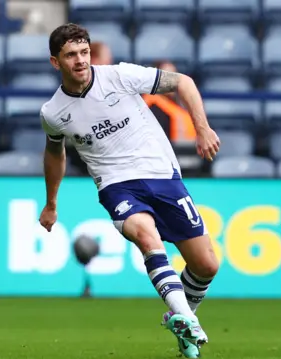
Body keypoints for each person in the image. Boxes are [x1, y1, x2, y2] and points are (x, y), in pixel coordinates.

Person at [38, 23, 220, 359]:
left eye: (83, 52)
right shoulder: (53, 112)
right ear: (55, 62)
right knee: (146, 236)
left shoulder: (119, 77)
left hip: (162, 175)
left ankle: (182, 317)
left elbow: (184, 83)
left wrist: (202, 128)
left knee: (207, 265)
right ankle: (190, 323)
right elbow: (54, 152)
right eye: (70, 55)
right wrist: (51, 202)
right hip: (116, 184)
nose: (80, 61)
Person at [142, 60, 197, 144]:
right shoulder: (153, 108)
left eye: (174, 76)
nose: (171, 81)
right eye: (166, 77)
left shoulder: (180, 103)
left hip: (189, 152)